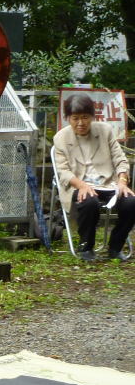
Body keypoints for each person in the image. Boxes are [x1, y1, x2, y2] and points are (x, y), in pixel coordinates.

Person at [53, 92, 135, 261]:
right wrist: (82, 185)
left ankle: (115, 246)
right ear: (68, 118)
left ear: (92, 116)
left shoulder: (105, 131)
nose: (80, 123)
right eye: (75, 118)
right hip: (78, 185)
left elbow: (120, 159)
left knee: (131, 202)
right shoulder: (61, 138)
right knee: (89, 201)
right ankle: (86, 247)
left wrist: (122, 181)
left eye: (85, 117)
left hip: (108, 183)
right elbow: (63, 171)